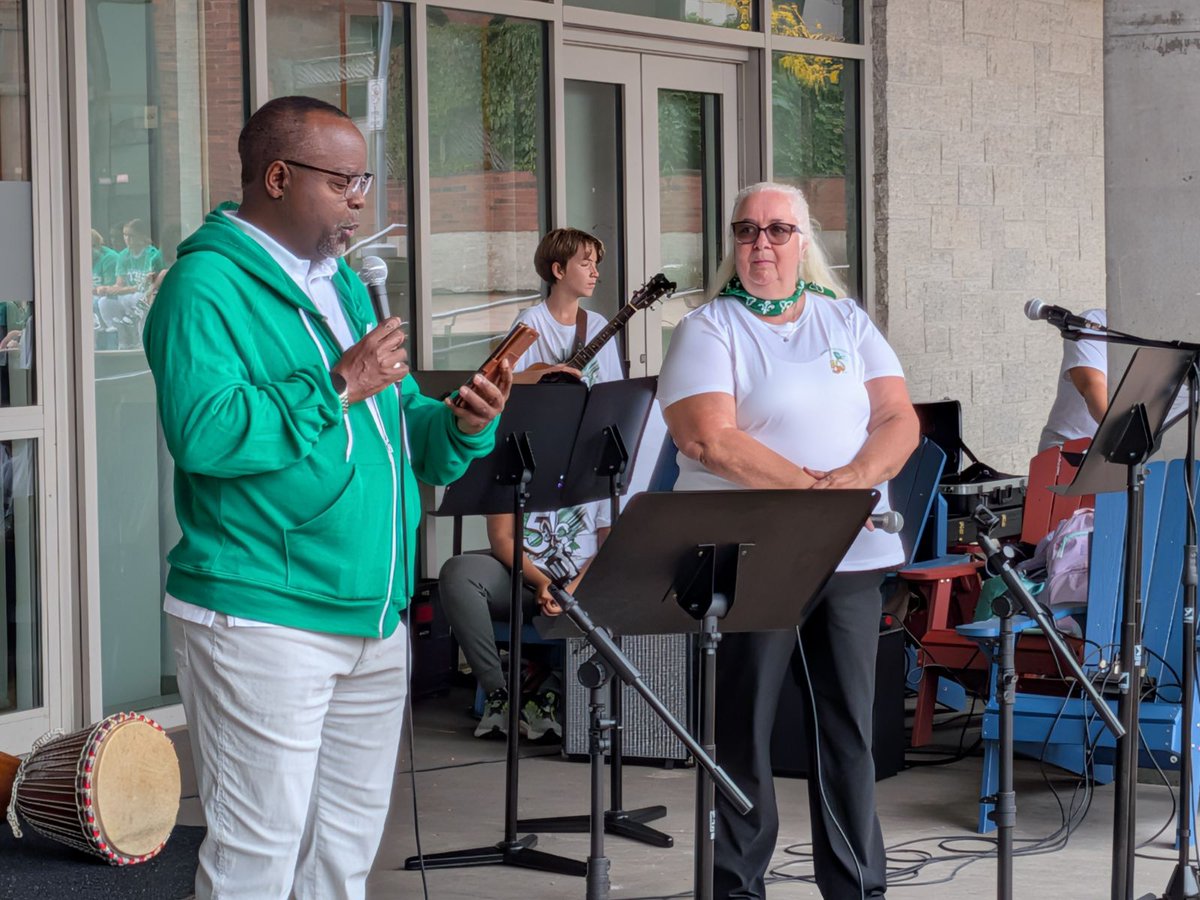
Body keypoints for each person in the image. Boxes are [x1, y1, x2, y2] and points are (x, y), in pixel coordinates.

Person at [142, 95, 511, 900]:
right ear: (277, 177)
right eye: (344, 182)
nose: (360, 201)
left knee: (341, 860)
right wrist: (341, 380)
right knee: (257, 859)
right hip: (264, 616)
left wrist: (461, 427)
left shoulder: (342, 280)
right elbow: (207, 433)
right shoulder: (202, 289)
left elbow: (396, 423)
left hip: (371, 617)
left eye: (363, 180)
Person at [657, 182, 918, 899]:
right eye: (747, 230)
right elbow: (709, 439)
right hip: (749, 558)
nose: (761, 244)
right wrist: (817, 497)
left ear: (805, 242)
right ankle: (738, 888)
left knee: (848, 732)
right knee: (743, 732)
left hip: (852, 556)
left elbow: (898, 416)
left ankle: (857, 887)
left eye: (777, 230)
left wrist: (859, 478)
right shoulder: (707, 328)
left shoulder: (846, 320)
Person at [438, 228, 620, 739]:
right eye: (585, 263)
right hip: (528, 577)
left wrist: (571, 589)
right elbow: (495, 379)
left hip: (580, 582)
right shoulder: (529, 332)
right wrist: (544, 584)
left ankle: (557, 692)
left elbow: (609, 538)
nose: (594, 272)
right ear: (558, 270)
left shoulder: (598, 461)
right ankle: (504, 692)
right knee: (458, 573)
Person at [1037, 308, 1107, 451]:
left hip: (1129, 458)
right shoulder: (1093, 324)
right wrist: (1127, 440)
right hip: (1069, 450)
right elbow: (1092, 386)